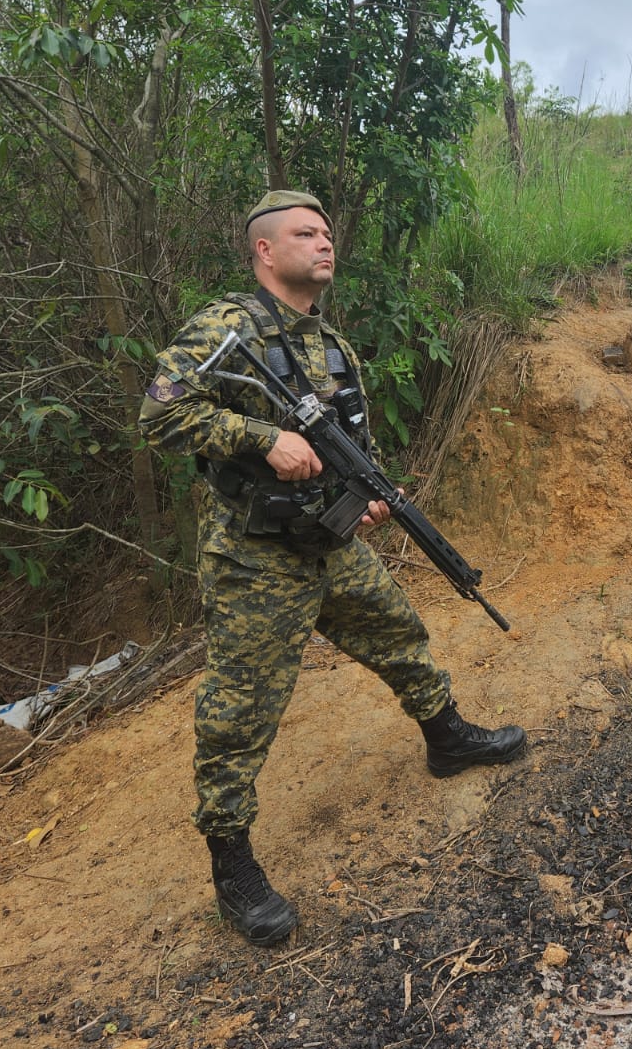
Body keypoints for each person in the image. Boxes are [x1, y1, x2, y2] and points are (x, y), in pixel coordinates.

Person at [139, 190, 526, 947]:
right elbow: (159, 414)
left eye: (327, 232)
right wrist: (260, 437)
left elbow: (356, 446)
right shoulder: (227, 328)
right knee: (239, 712)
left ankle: (446, 739)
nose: (325, 243)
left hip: (331, 542)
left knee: (398, 631)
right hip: (255, 559)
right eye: (305, 233)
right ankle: (232, 865)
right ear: (264, 251)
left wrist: (370, 499)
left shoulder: (333, 346)